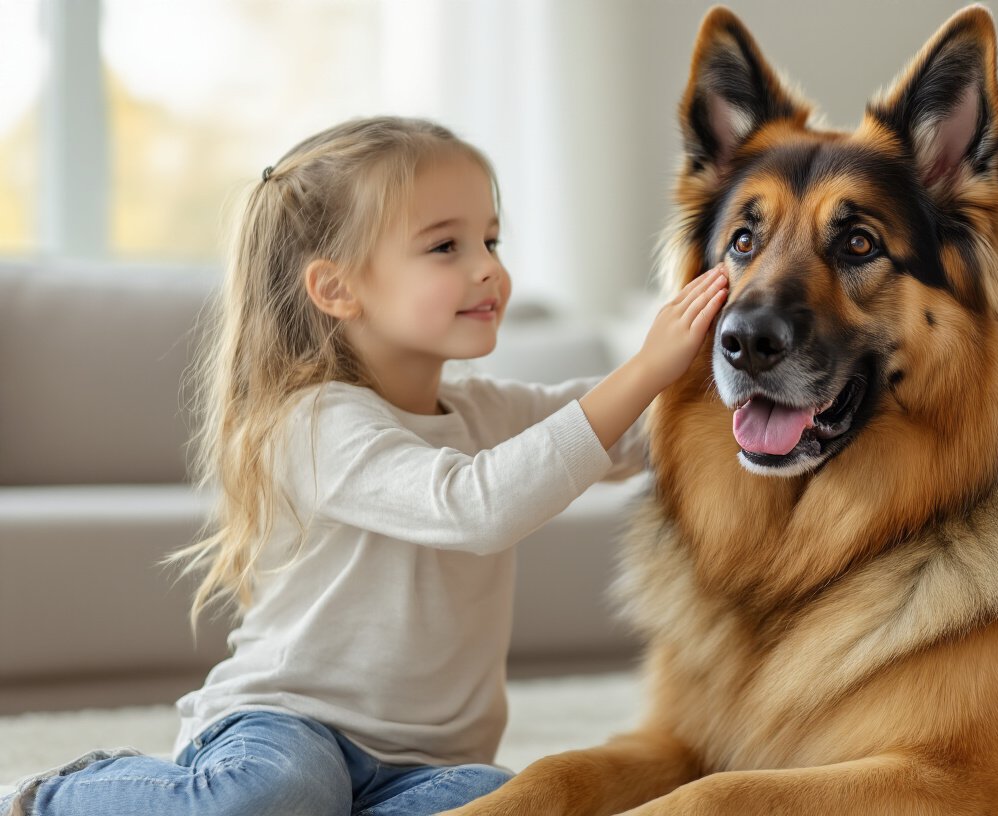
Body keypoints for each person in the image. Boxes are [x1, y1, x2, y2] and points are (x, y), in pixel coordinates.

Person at [1, 116, 728, 816]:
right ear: (337, 289)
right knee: (276, 794)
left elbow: (646, 434)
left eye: (491, 239)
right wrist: (644, 366)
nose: (489, 269)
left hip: (431, 762)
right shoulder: (311, 422)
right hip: (290, 726)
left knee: (504, 804)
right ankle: (46, 798)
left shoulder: (486, 410)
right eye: (446, 247)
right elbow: (476, 507)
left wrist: (734, 363)